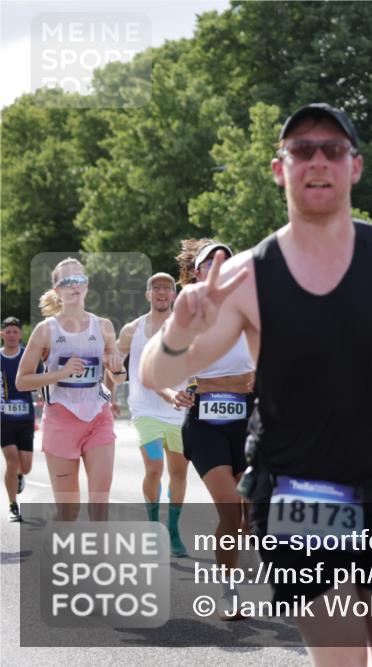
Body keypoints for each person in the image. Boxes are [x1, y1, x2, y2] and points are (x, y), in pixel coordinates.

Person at [141, 103, 372, 666]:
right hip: (300, 492)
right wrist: (177, 330)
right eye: (302, 150)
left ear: (355, 166)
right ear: (278, 168)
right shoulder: (249, 274)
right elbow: (157, 373)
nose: (318, 161)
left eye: (333, 149)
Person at [175, 239, 255, 612]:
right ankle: (228, 591)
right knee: (229, 511)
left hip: (249, 417)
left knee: (252, 513)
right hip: (205, 422)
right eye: (212, 263)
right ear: (197, 272)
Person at [16, 258, 122, 521]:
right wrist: (61, 373)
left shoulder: (104, 326)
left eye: (79, 279)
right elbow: (22, 380)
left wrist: (115, 367)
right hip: (61, 421)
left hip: (98, 417)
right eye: (67, 281)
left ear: (87, 285)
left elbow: (119, 376)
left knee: (99, 504)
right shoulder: (45, 331)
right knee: (69, 511)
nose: (74, 285)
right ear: (57, 290)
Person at [115, 273, 190, 556]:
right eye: (156, 288)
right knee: (155, 467)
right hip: (144, 409)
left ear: (174, 295)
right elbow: (117, 368)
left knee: (179, 472)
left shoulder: (185, 327)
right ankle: (152, 528)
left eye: (167, 288)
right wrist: (111, 390)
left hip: (180, 410)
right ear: (147, 294)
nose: (161, 292)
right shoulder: (132, 330)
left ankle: (172, 530)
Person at [2, 316, 41, 522]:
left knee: (25, 466)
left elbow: (42, 377)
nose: (11, 335)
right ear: (2, 334)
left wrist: (43, 394)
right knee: (11, 460)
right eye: (7, 331)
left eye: (15, 331)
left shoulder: (28, 356)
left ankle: (19, 476)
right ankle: (12, 505)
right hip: (3, 420)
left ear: (20, 335)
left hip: (25, 418)